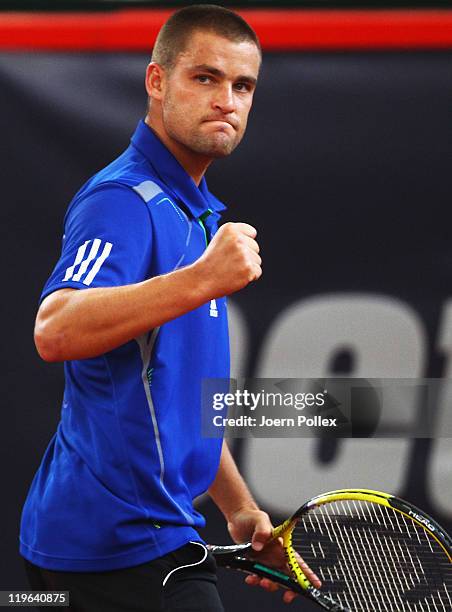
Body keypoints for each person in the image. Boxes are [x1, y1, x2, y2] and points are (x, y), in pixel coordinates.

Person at [20, 5, 318, 611]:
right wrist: (202, 279)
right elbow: (54, 330)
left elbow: (176, 398)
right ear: (157, 81)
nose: (226, 101)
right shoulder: (124, 199)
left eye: (242, 86)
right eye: (204, 78)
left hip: (140, 535)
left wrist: (239, 509)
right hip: (116, 542)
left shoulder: (196, 211)